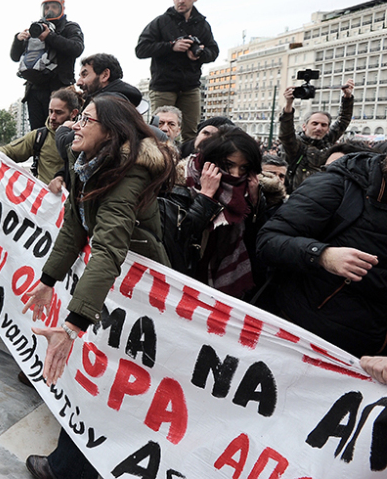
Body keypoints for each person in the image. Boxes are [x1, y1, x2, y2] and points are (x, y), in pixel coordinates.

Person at [22, 96, 176, 479]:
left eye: (86, 120)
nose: (75, 125)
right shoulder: (85, 163)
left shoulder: (129, 173)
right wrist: (47, 280)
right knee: (98, 373)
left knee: (107, 377)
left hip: (136, 290)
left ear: (111, 132)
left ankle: (68, 468)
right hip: (109, 285)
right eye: (78, 117)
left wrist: (72, 325)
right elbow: (75, 225)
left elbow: (108, 249)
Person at [257, 151, 387, 359]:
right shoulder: (338, 185)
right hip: (302, 342)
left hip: (373, 361)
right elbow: (268, 242)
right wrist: (322, 255)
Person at [160, 128, 281, 297]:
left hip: (229, 287)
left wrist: (256, 203)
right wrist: (205, 197)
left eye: (243, 167)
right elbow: (179, 236)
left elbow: (256, 239)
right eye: (228, 165)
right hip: (187, 278)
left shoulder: (248, 187)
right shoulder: (183, 183)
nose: (236, 174)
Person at [136, 0, 219, 142]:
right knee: (159, 131)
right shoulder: (161, 22)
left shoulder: (202, 25)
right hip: (163, 85)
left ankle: (188, 159)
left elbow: (214, 51)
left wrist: (200, 54)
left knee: (191, 134)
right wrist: (171, 46)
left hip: (190, 86)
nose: (181, 0)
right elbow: (141, 49)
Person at [10, 0, 84, 130]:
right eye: (46, 7)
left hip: (60, 88)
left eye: (54, 7)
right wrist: (18, 40)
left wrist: (50, 37)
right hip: (35, 89)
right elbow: (15, 57)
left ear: (62, 8)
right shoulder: (35, 29)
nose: (49, 10)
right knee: (38, 132)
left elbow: (77, 48)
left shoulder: (70, 27)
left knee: (60, 130)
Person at [0, 89, 79, 193]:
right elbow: (11, 151)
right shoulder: (39, 136)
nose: (52, 117)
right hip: (45, 199)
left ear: (73, 113)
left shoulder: (82, 137)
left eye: (59, 112)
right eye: (51, 111)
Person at [279, 80, 354, 193]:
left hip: (322, 195)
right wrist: (288, 104)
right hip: (297, 195)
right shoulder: (296, 144)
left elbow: (344, 120)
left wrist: (347, 97)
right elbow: (286, 132)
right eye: (314, 124)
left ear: (328, 129)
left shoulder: (328, 140)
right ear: (304, 126)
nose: (319, 128)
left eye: (323, 125)